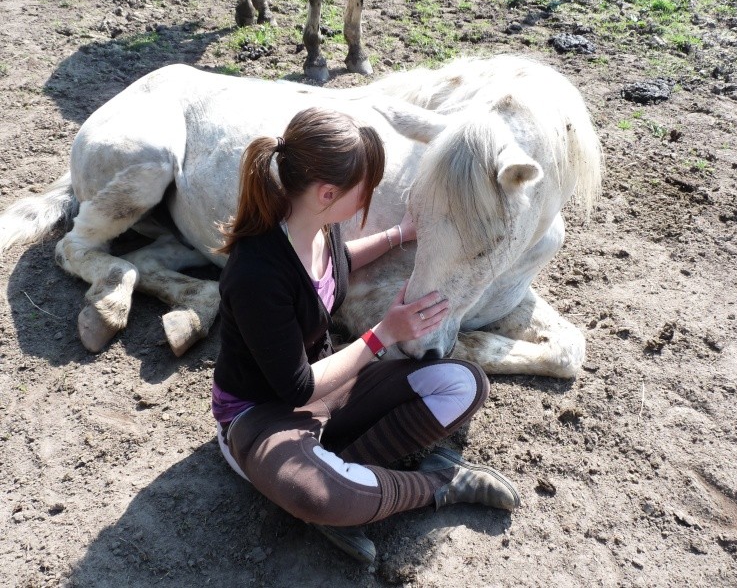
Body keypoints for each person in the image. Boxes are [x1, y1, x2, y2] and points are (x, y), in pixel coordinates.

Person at [212, 107, 520, 564]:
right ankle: (439, 484)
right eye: (365, 189)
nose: (367, 199)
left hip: (329, 388)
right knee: (321, 498)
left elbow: (340, 261)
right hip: (262, 415)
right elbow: (295, 388)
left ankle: (349, 472)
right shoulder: (256, 274)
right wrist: (382, 335)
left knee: (464, 383)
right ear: (327, 192)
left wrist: (400, 234)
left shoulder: (318, 225)